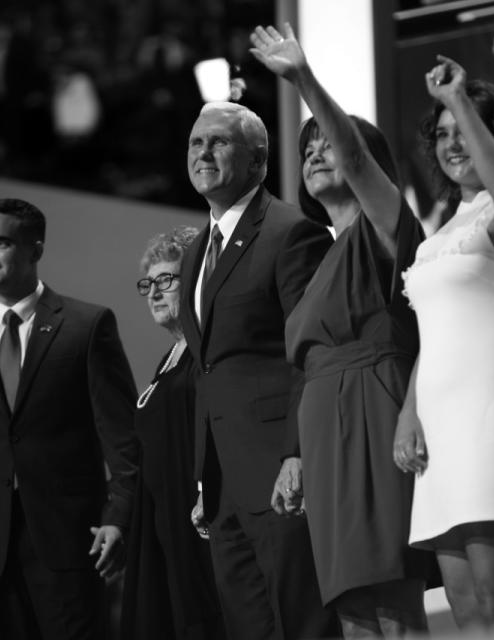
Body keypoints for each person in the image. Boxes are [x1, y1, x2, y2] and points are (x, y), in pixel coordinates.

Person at [250, 24, 439, 639]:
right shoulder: (320, 259)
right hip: (323, 433)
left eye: (326, 143)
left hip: (376, 413)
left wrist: (303, 80)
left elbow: (353, 157)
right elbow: (306, 368)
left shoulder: (386, 231)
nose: (315, 152)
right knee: (353, 611)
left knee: (392, 604)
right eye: (305, 149)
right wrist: (295, 455)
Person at [0, 198, 140, 640]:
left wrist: (120, 518)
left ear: (35, 250)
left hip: (71, 541)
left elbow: (124, 440)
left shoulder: (86, 326)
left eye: (2, 243)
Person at [394, 55, 494, 631]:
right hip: (439, 427)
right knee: (461, 604)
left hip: (493, 410)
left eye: (464, 130)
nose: (451, 143)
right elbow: (434, 335)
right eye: (441, 135)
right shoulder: (443, 232)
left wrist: (457, 97)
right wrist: (411, 411)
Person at [178, 100, 338, 640]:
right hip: (223, 485)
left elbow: (311, 352)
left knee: (304, 625)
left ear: (258, 161)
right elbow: (210, 368)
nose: (203, 152)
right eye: (196, 143)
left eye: (218, 142)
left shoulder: (291, 232)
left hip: (280, 474)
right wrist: (205, 476)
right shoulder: (197, 249)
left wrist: (296, 453)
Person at [120, 226, 225, 640]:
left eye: (167, 280)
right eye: (149, 283)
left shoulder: (208, 349)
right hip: (165, 526)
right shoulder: (170, 357)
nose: (154, 292)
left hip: (199, 521)